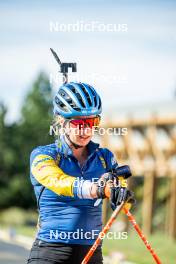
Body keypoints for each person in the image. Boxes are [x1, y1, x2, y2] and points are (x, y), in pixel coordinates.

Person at [27, 82, 133, 264]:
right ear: (61, 120)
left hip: (91, 252)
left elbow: (122, 203)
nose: (86, 130)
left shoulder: (105, 157)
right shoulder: (43, 155)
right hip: (51, 252)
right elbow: (60, 183)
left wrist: (122, 197)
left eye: (92, 122)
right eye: (78, 123)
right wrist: (97, 189)